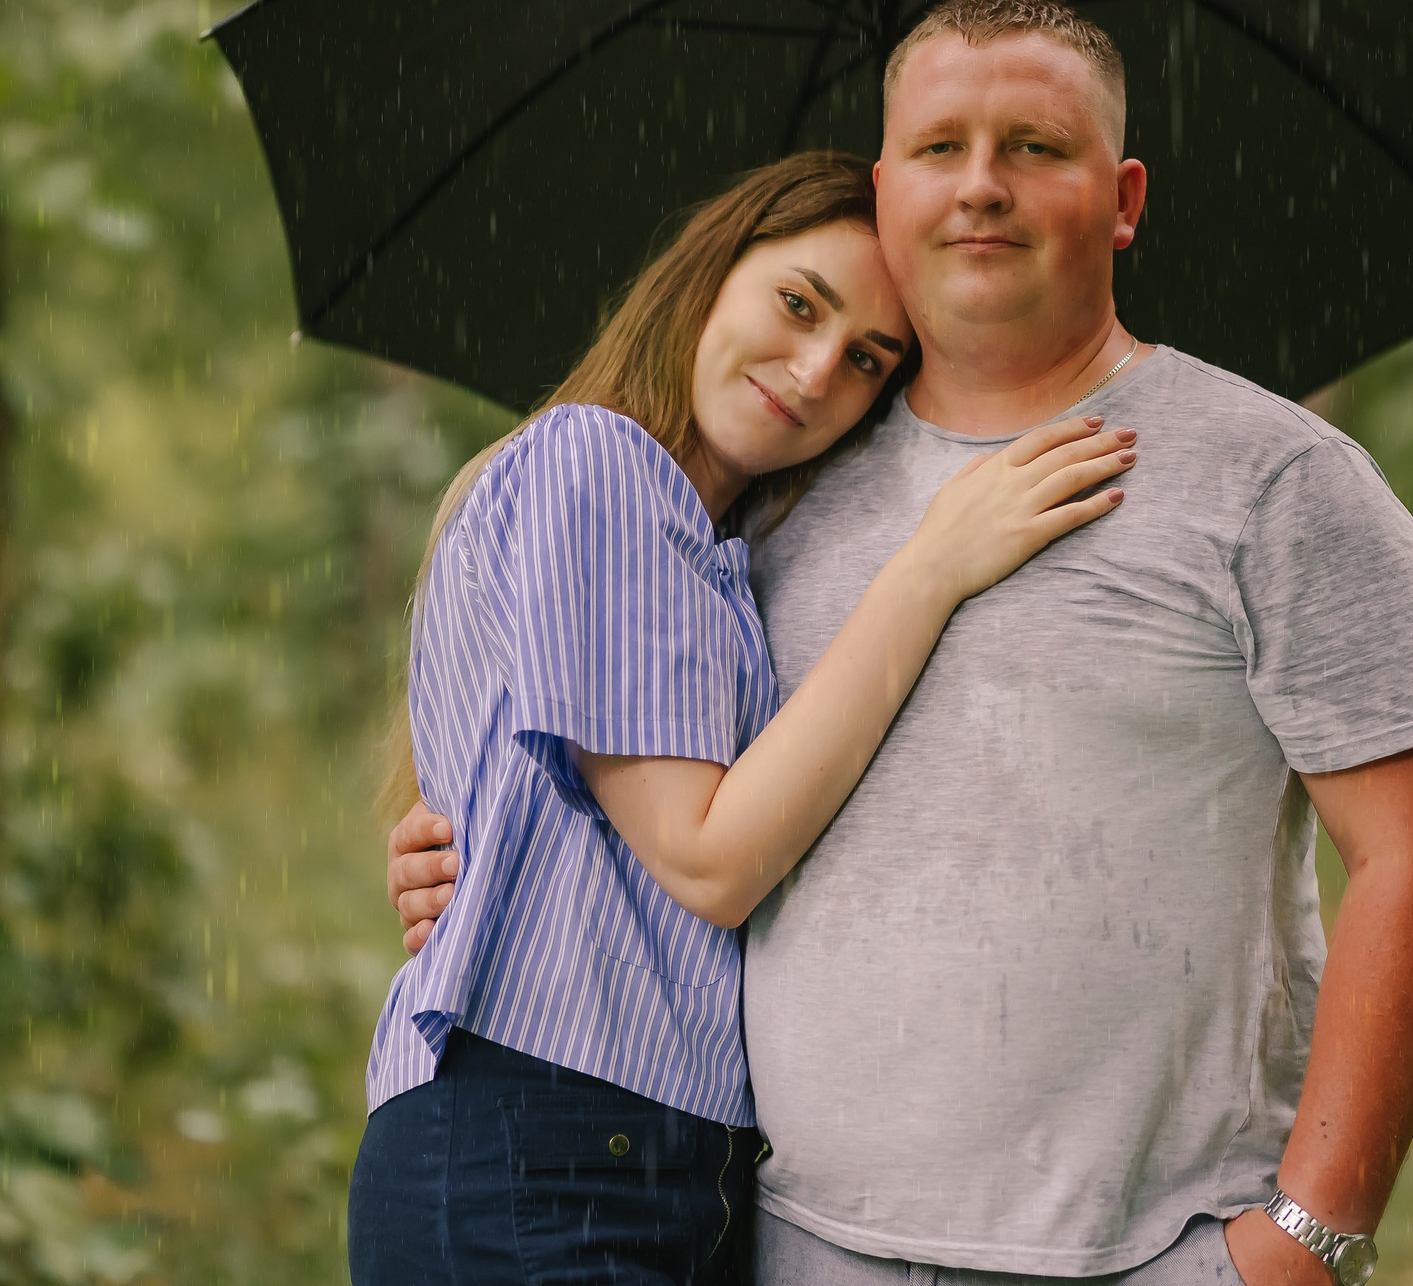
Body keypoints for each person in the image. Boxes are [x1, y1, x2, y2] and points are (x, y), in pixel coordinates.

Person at [393, 0, 1413, 1286]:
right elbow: (697, 811)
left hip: (1148, 1251)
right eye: (939, 148)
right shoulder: (780, 493)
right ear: (886, 186)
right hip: (781, 1240)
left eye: (1035, 146)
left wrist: (1308, 1236)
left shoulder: (1272, 479)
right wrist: (468, 840)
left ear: (1124, 195)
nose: (982, 184)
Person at [348, 148, 1139, 1285]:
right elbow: (711, 857)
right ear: (710, 271)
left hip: (672, 1169)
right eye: (797, 302)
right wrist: (932, 569)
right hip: (543, 1151)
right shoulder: (598, 462)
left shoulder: (729, 559)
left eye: (868, 356)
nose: (817, 370)